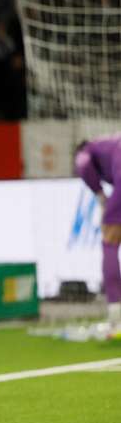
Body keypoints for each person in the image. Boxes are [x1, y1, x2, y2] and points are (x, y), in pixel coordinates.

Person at [75, 137, 121, 330]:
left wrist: (100, 195)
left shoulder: (87, 150)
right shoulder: (109, 144)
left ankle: (116, 315)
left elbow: (82, 163)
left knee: (110, 241)